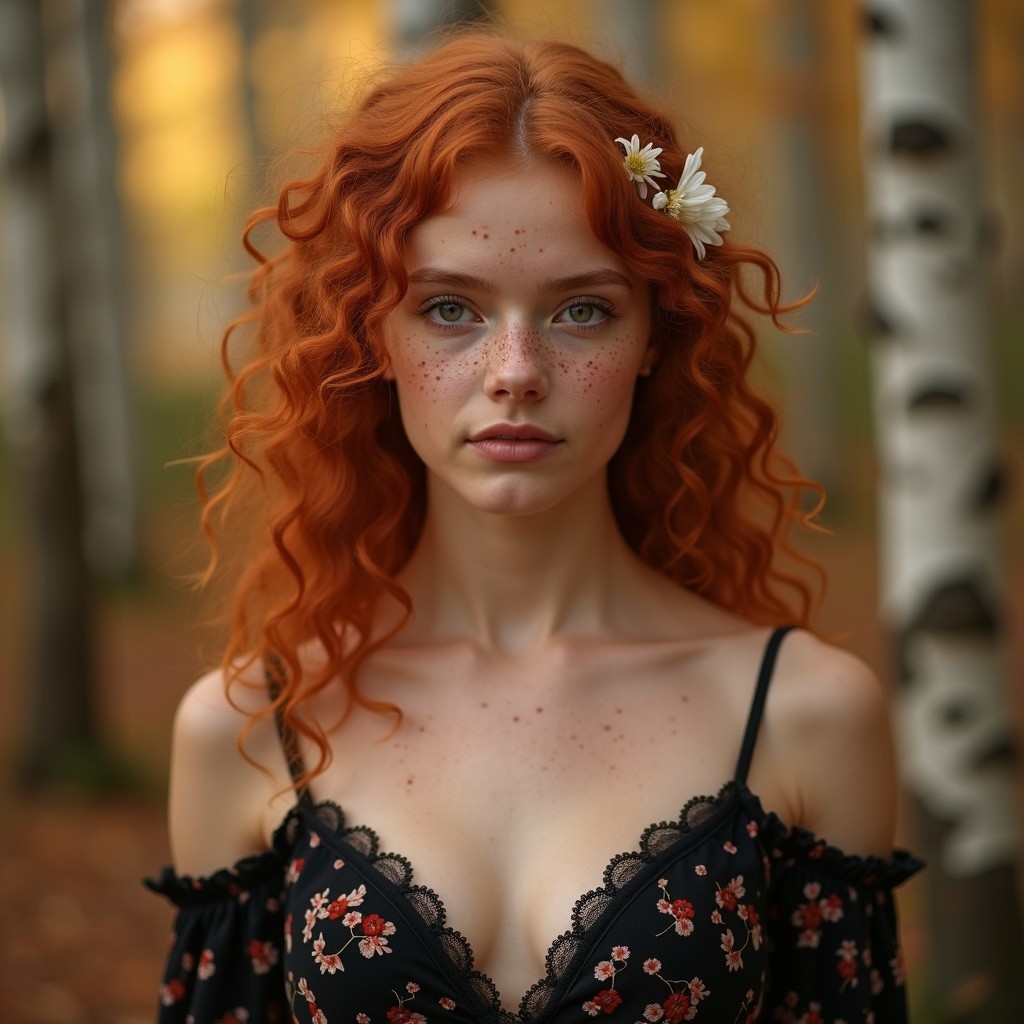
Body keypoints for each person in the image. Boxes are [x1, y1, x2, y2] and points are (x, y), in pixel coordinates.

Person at [146, 31, 922, 1024]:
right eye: (451, 309)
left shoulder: (805, 714)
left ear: (653, 336)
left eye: (582, 312)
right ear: (369, 332)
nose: (515, 369)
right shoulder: (254, 729)